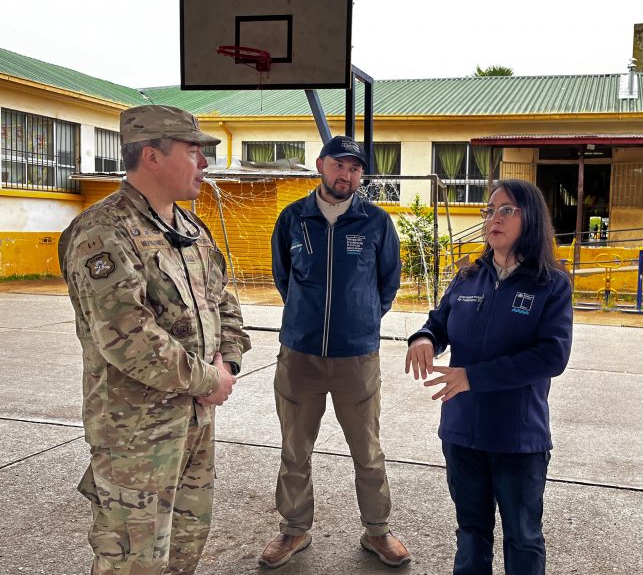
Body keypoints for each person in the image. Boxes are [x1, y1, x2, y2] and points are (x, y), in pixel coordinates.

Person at [58, 104, 251, 573]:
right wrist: (209, 380)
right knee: (133, 561)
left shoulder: (190, 229)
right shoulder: (103, 232)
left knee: (185, 549)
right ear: (152, 156)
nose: (204, 163)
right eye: (194, 151)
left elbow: (222, 299)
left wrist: (228, 360)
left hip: (194, 425)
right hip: (135, 438)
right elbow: (128, 339)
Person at [405, 179, 573, 575]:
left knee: (523, 536)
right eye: (489, 211)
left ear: (529, 218)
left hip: (517, 437)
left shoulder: (550, 283)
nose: (492, 219)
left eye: (506, 210)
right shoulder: (469, 276)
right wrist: (424, 338)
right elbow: (438, 323)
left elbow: (552, 356)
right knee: (471, 533)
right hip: (462, 433)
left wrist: (473, 377)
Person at [262, 135, 408, 568]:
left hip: (356, 358)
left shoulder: (377, 223)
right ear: (322, 165)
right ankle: (293, 530)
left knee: (368, 451)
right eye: (340, 165)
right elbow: (283, 278)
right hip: (299, 356)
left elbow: (388, 284)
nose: (347, 175)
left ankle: (377, 532)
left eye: (356, 168)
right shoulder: (293, 219)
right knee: (294, 449)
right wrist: (308, 320)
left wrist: (359, 320)